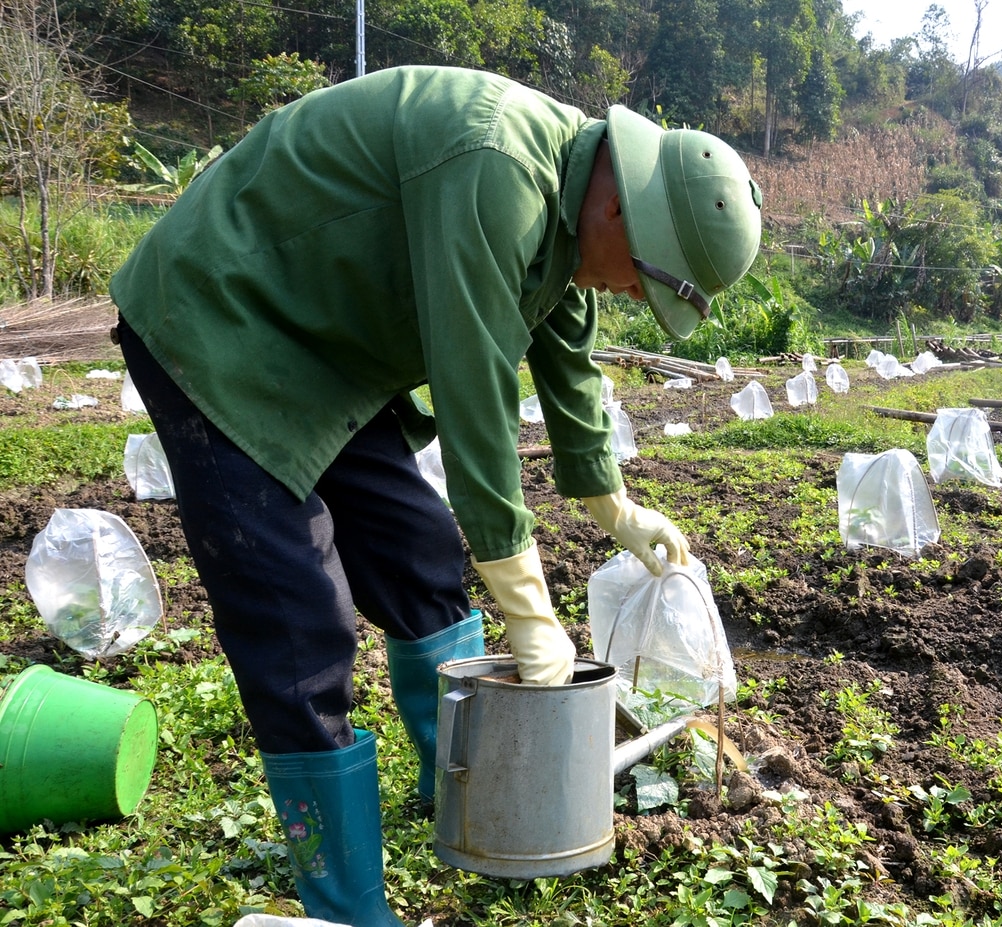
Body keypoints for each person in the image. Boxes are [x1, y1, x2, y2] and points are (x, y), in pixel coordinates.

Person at [108, 66, 762, 927]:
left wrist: (616, 508)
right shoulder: (497, 168)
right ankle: (346, 908)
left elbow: (566, 364)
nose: (633, 293)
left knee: (420, 556)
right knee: (300, 623)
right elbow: (474, 389)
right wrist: (529, 608)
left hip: (329, 348)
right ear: (621, 210)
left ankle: (455, 792)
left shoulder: (571, 189)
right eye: (642, 279)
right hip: (224, 316)